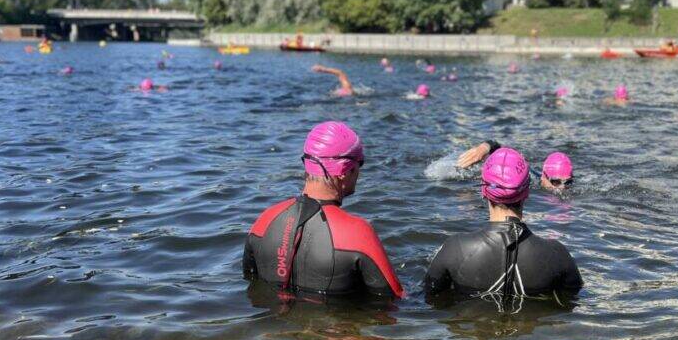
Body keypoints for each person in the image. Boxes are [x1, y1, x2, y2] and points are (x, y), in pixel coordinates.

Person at [243, 121, 404, 299]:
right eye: (361, 163)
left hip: (275, 325)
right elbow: (394, 301)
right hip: (335, 326)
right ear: (345, 170)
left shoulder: (263, 221)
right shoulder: (358, 233)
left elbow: (252, 285)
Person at [425, 147, 582, 312]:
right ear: (527, 191)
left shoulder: (454, 248)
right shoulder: (557, 254)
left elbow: (430, 300)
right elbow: (571, 305)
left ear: (483, 191)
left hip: (472, 333)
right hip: (530, 334)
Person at [457, 141, 574, 191]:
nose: (562, 188)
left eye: (568, 183)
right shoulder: (527, 177)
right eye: (556, 182)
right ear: (544, 176)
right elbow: (505, 150)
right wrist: (485, 147)